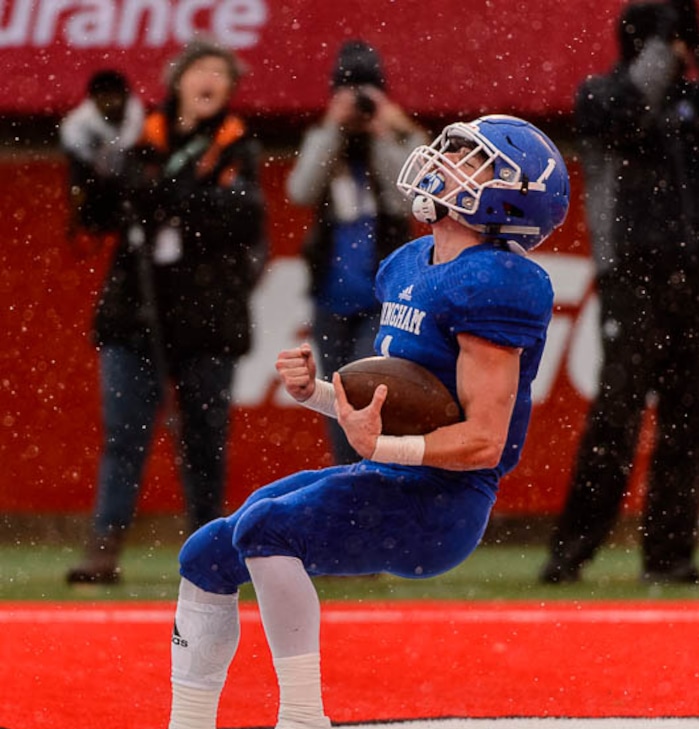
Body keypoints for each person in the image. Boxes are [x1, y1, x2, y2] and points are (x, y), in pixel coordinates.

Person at [94, 114, 569, 729]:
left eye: (471, 159)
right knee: (206, 552)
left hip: (442, 501)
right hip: (394, 471)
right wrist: (319, 392)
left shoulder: (497, 281)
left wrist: (392, 447)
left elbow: (484, 442)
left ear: (508, 198)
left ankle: (307, 726)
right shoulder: (411, 262)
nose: (445, 159)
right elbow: (386, 403)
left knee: (267, 526)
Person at [65, 38, 267, 585]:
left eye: (219, 73)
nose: (209, 81)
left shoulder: (238, 145)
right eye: (199, 70)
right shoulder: (139, 138)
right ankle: (103, 548)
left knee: (204, 438)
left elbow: (243, 216)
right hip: (136, 312)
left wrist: (166, 193)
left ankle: (212, 549)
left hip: (209, 317)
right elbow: (100, 215)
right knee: (124, 435)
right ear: (177, 80)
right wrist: (89, 168)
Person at [540, 1, 699, 585]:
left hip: (690, 276)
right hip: (631, 273)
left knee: (686, 421)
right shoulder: (601, 95)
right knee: (617, 416)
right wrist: (667, 43)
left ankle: (669, 555)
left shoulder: (688, 103)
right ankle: (570, 551)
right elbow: (631, 111)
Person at [286, 39, 428, 464]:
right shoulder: (327, 141)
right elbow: (300, 189)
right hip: (331, 294)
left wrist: (385, 131)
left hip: (382, 298)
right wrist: (333, 129)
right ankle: (347, 478)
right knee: (333, 395)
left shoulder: (402, 138)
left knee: (368, 390)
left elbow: (410, 199)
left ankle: (372, 476)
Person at [59, 69, 145, 236]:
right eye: (106, 99)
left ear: (127, 96)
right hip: (95, 175)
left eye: (117, 97)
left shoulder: (136, 112)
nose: (114, 104)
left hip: (125, 171)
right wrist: (75, 215)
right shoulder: (76, 127)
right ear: (93, 101)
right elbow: (78, 174)